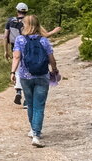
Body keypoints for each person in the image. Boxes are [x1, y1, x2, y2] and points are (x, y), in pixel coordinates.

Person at [10, 14, 60, 147]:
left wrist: (13, 72)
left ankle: (33, 130)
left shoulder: (20, 40)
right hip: (42, 76)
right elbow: (51, 58)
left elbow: (16, 57)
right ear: (38, 25)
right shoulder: (43, 40)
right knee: (39, 105)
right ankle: (36, 134)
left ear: (25, 25)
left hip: (25, 77)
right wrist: (54, 70)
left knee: (30, 104)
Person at [5, 3, 60, 105]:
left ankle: (18, 91)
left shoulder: (10, 21)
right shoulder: (31, 21)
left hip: (16, 48)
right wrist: (54, 31)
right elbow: (44, 35)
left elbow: (5, 37)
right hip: (33, 50)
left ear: (16, 10)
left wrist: (6, 50)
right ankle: (27, 100)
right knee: (29, 68)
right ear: (26, 10)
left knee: (19, 69)